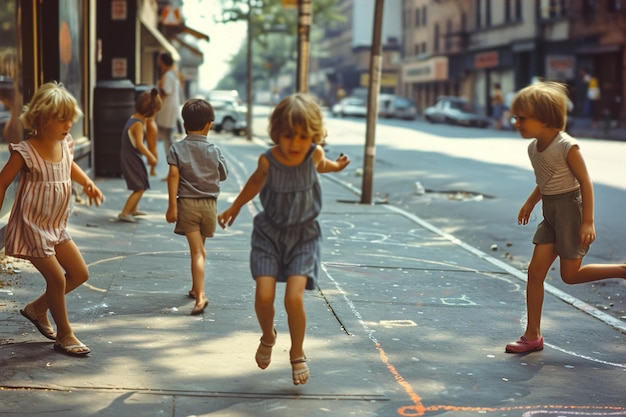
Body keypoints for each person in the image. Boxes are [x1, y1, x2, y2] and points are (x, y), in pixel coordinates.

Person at [217, 93, 350, 385]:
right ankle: (268, 336)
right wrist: (236, 205)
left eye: (303, 136)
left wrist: (338, 167)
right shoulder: (268, 160)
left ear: (313, 136)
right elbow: (254, 182)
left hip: (304, 237)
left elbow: (323, 164)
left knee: (293, 297)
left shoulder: (313, 154)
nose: (295, 143)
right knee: (264, 294)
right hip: (270, 234)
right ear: (277, 132)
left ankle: (297, 352)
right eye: (288, 135)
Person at [506, 81, 626, 353]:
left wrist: (588, 221)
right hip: (550, 211)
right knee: (534, 273)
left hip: (571, 212)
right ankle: (532, 335)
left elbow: (585, 182)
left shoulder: (567, 146)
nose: (516, 123)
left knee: (570, 276)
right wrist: (529, 202)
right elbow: (546, 179)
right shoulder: (534, 148)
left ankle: (622, 270)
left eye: (522, 118)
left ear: (545, 118)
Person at [0, 81, 104, 356]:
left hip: (56, 226)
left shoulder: (64, 143)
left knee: (80, 274)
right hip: (32, 227)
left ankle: (37, 309)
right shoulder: (26, 151)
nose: (68, 123)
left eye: (70, 117)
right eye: (61, 119)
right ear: (41, 119)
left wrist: (87, 182)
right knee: (57, 280)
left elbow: (69, 165)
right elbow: (2, 183)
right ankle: (65, 335)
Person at [165, 98, 228, 316]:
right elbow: (223, 174)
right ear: (209, 125)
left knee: (197, 253)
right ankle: (195, 288)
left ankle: (200, 296)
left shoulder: (177, 148)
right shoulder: (214, 150)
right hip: (209, 206)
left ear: (184, 124)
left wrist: (172, 206)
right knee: (200, 250)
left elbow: (173, 175)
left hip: (188, 205)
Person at [118, 88, 161, 222]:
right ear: (152, 110)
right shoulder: (138, 124)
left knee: (141, 183)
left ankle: (133, 209)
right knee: (139, 187)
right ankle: (125, 213)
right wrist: (151, 156)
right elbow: (140, 144)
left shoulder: (134, 118)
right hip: (132, 158)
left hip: (131, 156)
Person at [155, 52, 182, 163]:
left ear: (162, 61)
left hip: (168, 109)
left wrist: (156, 99)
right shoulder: (172, 74)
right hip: (170, 109)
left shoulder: (168, 75)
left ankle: (173, 165)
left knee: (168, 138)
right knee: (167, 137)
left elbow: (166, 91)